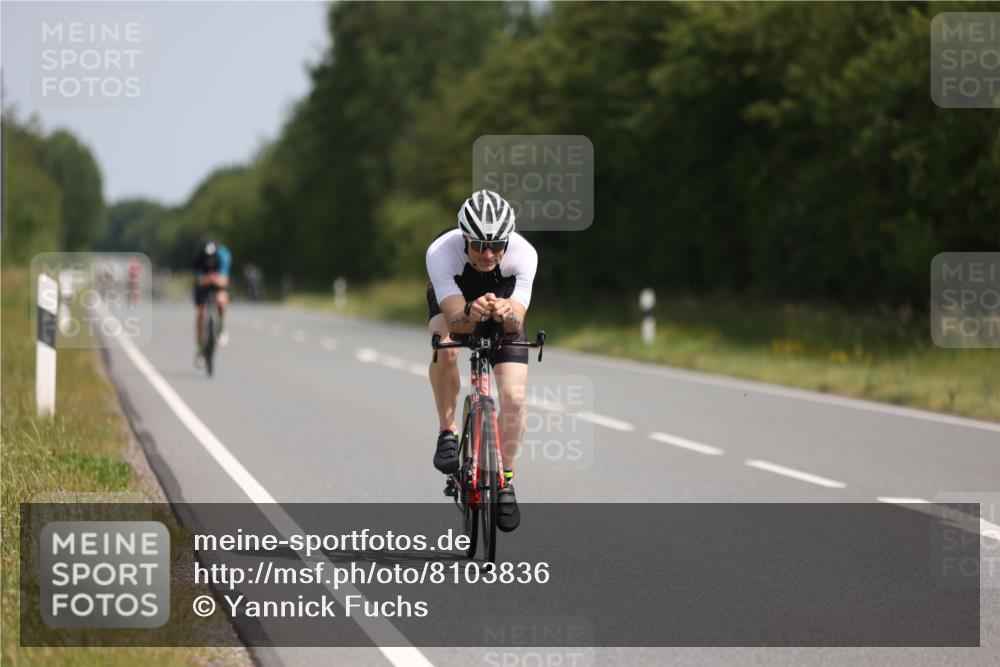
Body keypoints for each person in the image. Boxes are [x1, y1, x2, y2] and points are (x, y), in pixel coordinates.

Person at [426, 190, 537, 532]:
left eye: (496, 245)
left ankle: (505, 478)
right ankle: (447, 431)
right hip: (457, 306)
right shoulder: (440, 253)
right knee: (445, 347)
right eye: (478, 245)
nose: (488, 253)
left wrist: (508, 315)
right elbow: (457, 322)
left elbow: (517, 321)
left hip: (503, 308)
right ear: (464, 239)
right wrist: (471, 313)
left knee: (515, 398)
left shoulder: (524, 254)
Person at [193, 238, 232, 367]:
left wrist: (216, 280)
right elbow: (198, 280)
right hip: (203, 283)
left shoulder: (224, 256)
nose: (209, 260)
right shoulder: (199, 257)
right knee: (201, 314)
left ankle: (221, 326)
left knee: (221, 300)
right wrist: (205, 279)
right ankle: (199, 349)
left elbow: (225, 280)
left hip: (218, 281)